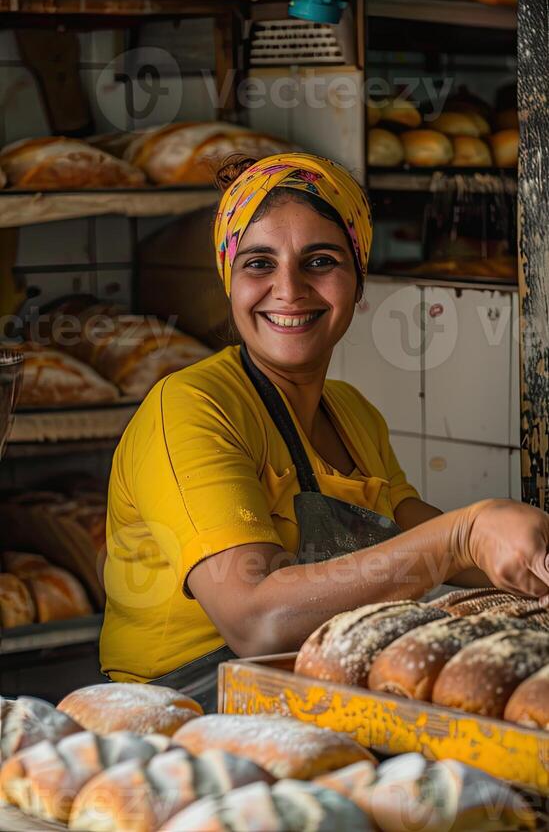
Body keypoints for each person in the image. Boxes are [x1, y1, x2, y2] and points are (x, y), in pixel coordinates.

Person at [100, 152, 549, 709]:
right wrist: (464, 531)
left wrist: (524, 552)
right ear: (228, 282)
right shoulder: (191, 406)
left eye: (319, 261)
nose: (288, 290)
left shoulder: (353, 413)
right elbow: (255, 619)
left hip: (306, 692)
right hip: (180, 717)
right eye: (259, 264)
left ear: (358, 281)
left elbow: (435, 542)